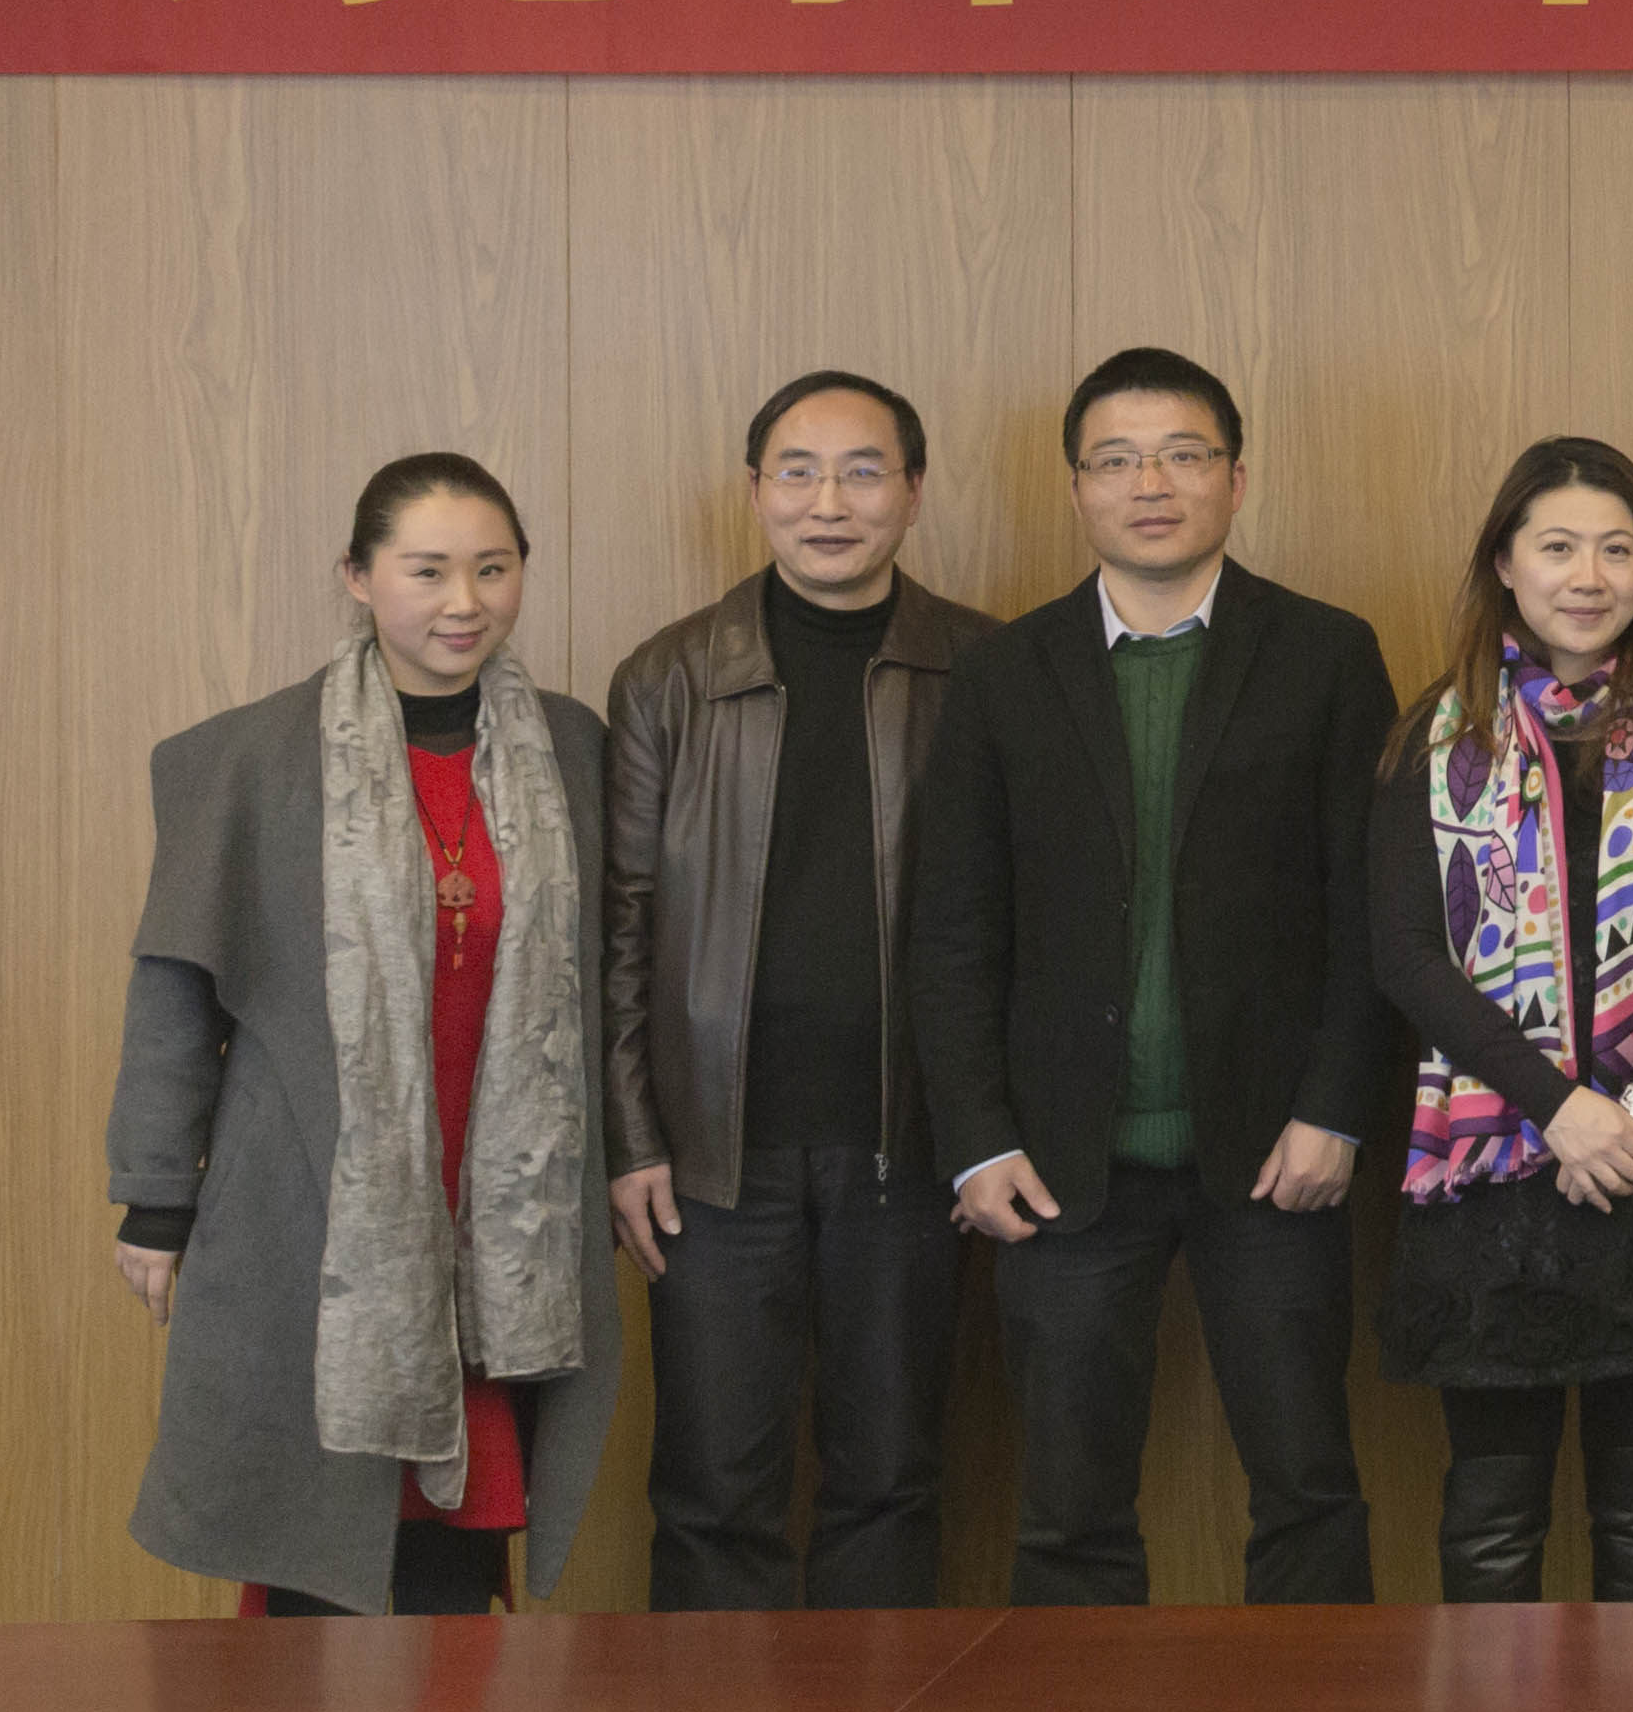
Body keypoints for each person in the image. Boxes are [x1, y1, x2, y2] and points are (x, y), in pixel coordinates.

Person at [909, 346, 1397, 1604]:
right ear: (1076, 487)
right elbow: (953, 929)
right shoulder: (1005, 674)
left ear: (1236, 476)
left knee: (1309, 1488)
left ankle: (1319, 1709)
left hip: (1276, 1153)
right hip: (1063, 1162)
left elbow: (1373, 912)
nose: (1151, 484)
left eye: (1183, 454)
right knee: (1067, 1512)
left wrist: (1336, 1108)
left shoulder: (1326, 654)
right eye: (1116, 460)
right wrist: (975, 1140)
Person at [110, 454, 621, 1615]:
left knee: (456, 1557)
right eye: (426, 570)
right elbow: (175, 994)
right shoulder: (246, 758)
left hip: (507, 1205)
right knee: (318, 1540)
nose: (463, 602)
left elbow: (621, 972)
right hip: (312, 1197)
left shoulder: (574, 748)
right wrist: (153, 1195)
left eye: (492, 568)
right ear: (356, 574)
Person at [599, 370, 1000, 1609]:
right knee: (712, 1487)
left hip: (911, 1144)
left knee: (890, 1477)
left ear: (914, 492)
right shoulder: (670, 675)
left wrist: (989, 1130)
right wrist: (631, 1136)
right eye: (799, 471)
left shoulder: (987, 665)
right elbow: (622, 924)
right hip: (713, 1155)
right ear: (754, 489)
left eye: (863, 472)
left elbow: (1032, 915)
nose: (830, 502)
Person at [1377, 436, 1633, 1601]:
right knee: (1492, 1513)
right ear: (1505, 561)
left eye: (1615, 548)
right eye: (1557, 546)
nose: (1587, 575)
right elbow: (1406, 954)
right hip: (1493, 1173)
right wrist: (1560, 1110)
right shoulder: (1432, 736)